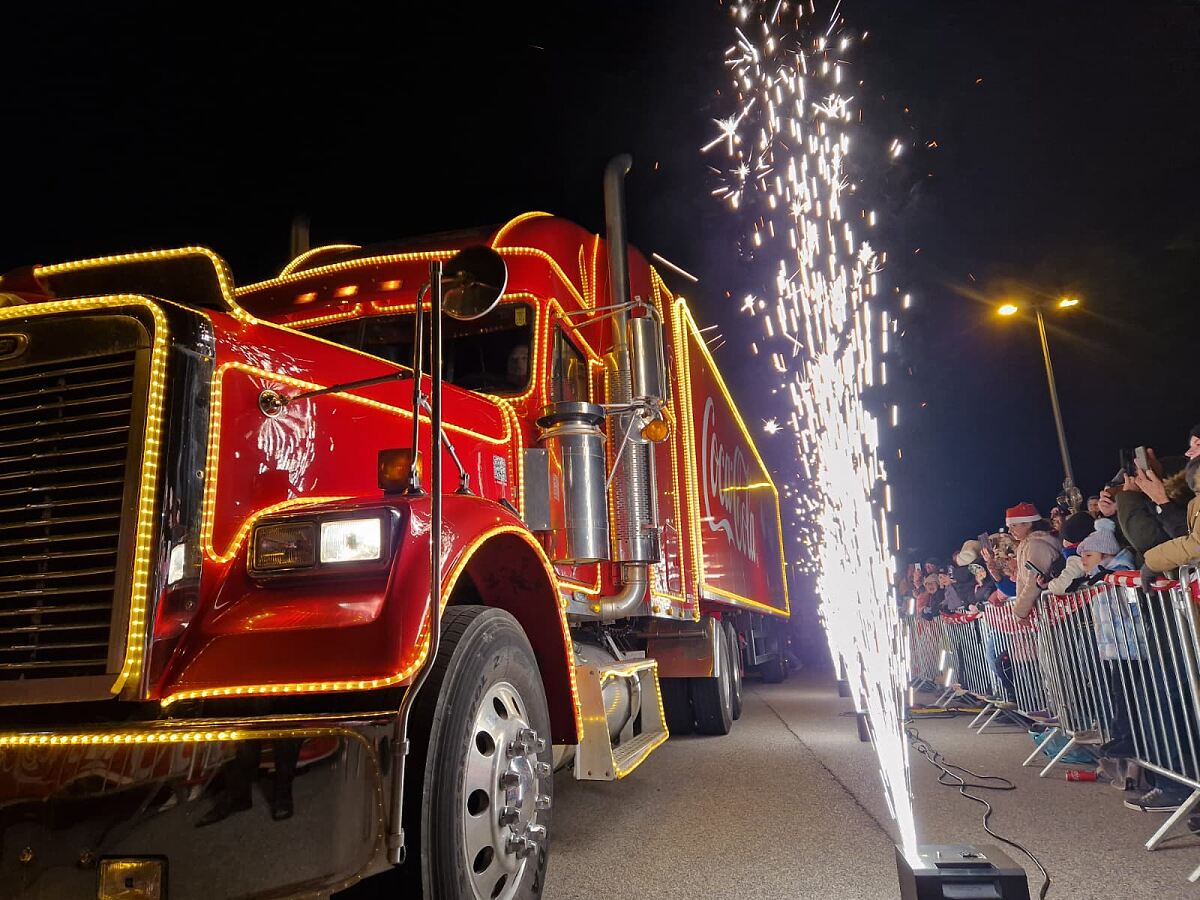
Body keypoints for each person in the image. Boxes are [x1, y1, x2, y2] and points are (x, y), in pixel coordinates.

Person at [1007, 502, 1062, 619]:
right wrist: (1020, 609)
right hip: (1045, 611)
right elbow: (1022, 580)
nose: (1009, 531)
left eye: (1013, 526)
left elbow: (1033, 582)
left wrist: (1020, 611)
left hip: (1056, 610)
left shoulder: (1036, 545)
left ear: (1027, 523)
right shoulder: (1025, 545)